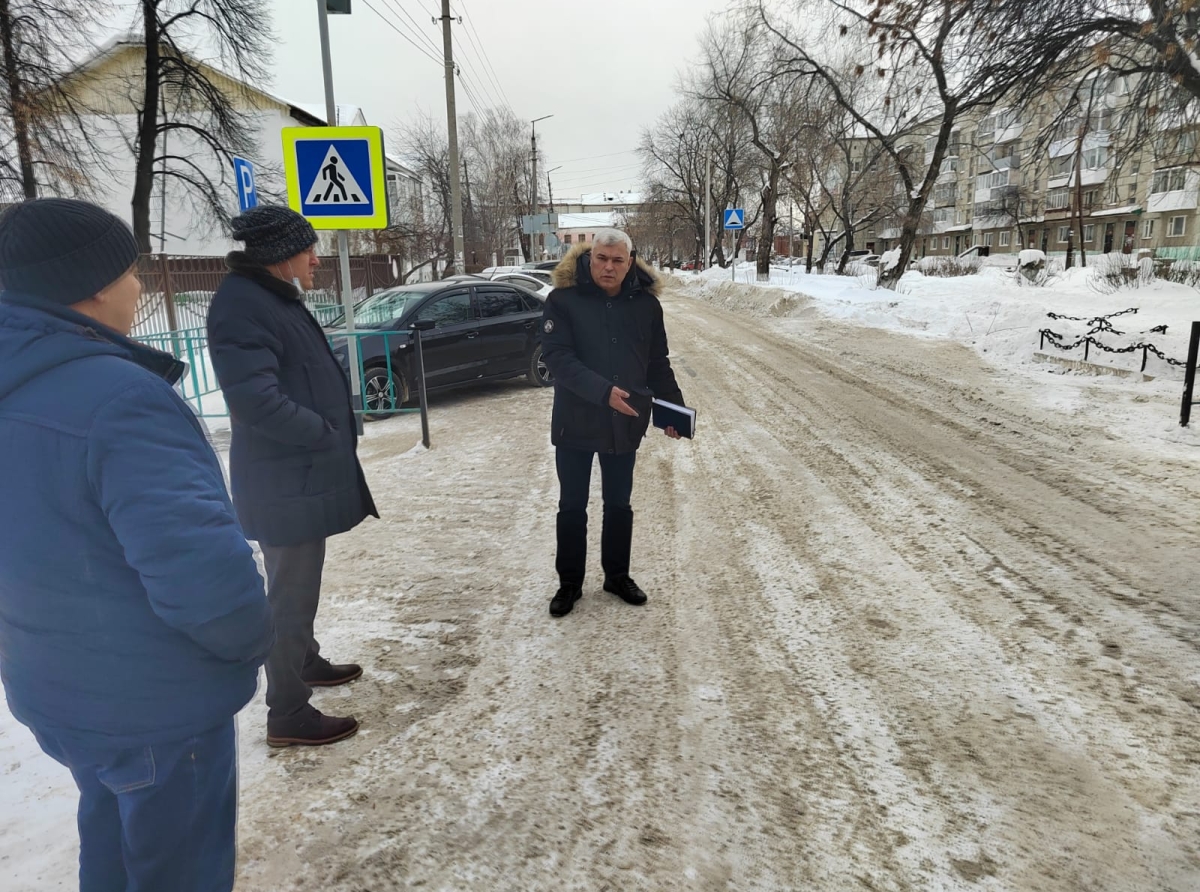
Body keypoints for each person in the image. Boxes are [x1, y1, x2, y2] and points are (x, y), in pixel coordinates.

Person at [0, 198, 274, 891]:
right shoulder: (118, 398)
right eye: (132, 272)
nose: (141, 288)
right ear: (91, 283)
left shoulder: (18, 380)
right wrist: (252, 638)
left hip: (58, 685)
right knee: (178, 869)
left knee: (117, 845)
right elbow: (203, 577)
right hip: (153, 704)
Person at [207, 205, 378, 747]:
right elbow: (254, 399)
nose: (317, 257)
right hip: (287, 480)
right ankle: (287, 712)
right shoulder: (243, 305)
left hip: (298, 477)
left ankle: (303, 661)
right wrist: (322, 431)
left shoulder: (271, 297)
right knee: (290, 595)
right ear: (282, 256)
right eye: (309, 249)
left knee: (299, 588)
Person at [540, 229, 686, 618]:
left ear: (630, 261)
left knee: (618, 503)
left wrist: (672, 408)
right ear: (590, 259)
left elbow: (657, 363)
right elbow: (557, 358)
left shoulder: (646, 306)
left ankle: (616, 576)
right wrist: (603, 391)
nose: (608, 267)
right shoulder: (563, 300)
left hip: (626, 421)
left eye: (617, 260)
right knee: (572, 505)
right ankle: (569, 582)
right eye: (601, 259)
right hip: (575, 420)